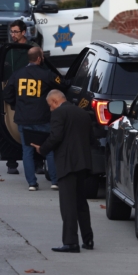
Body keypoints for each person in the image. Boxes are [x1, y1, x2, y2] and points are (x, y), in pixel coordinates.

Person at [32, 90, 94, 253]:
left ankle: (71, 242)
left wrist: (42, 149)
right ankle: (88, 239)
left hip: (67, 163)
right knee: (81, 203)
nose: (50, 109)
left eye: (49, 105)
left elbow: (56, 136)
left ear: (54, 101)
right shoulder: (83, 113)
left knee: (67, 205)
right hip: (83, 163)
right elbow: (91, 137)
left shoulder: (59, 113)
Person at [3, 47, 66, 190]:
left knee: (27, 151)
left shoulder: (17, 74)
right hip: (43, 118)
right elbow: (63, 84)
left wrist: (16, 104)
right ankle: (55, 182)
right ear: (39, 58)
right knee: (49, 149)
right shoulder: (46, 74)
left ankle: (32, 183)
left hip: (24, 119)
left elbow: (6, 94)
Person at [3, 19, 41, 175]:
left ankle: (38, 162)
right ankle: (11, 161)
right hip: (12, 92)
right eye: (11, 32)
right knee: (10, 126)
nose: (13, 35)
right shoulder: (8, 49)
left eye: (16, 32)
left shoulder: (32, 49)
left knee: (35, 129)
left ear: (24, 32)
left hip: (31, 93)